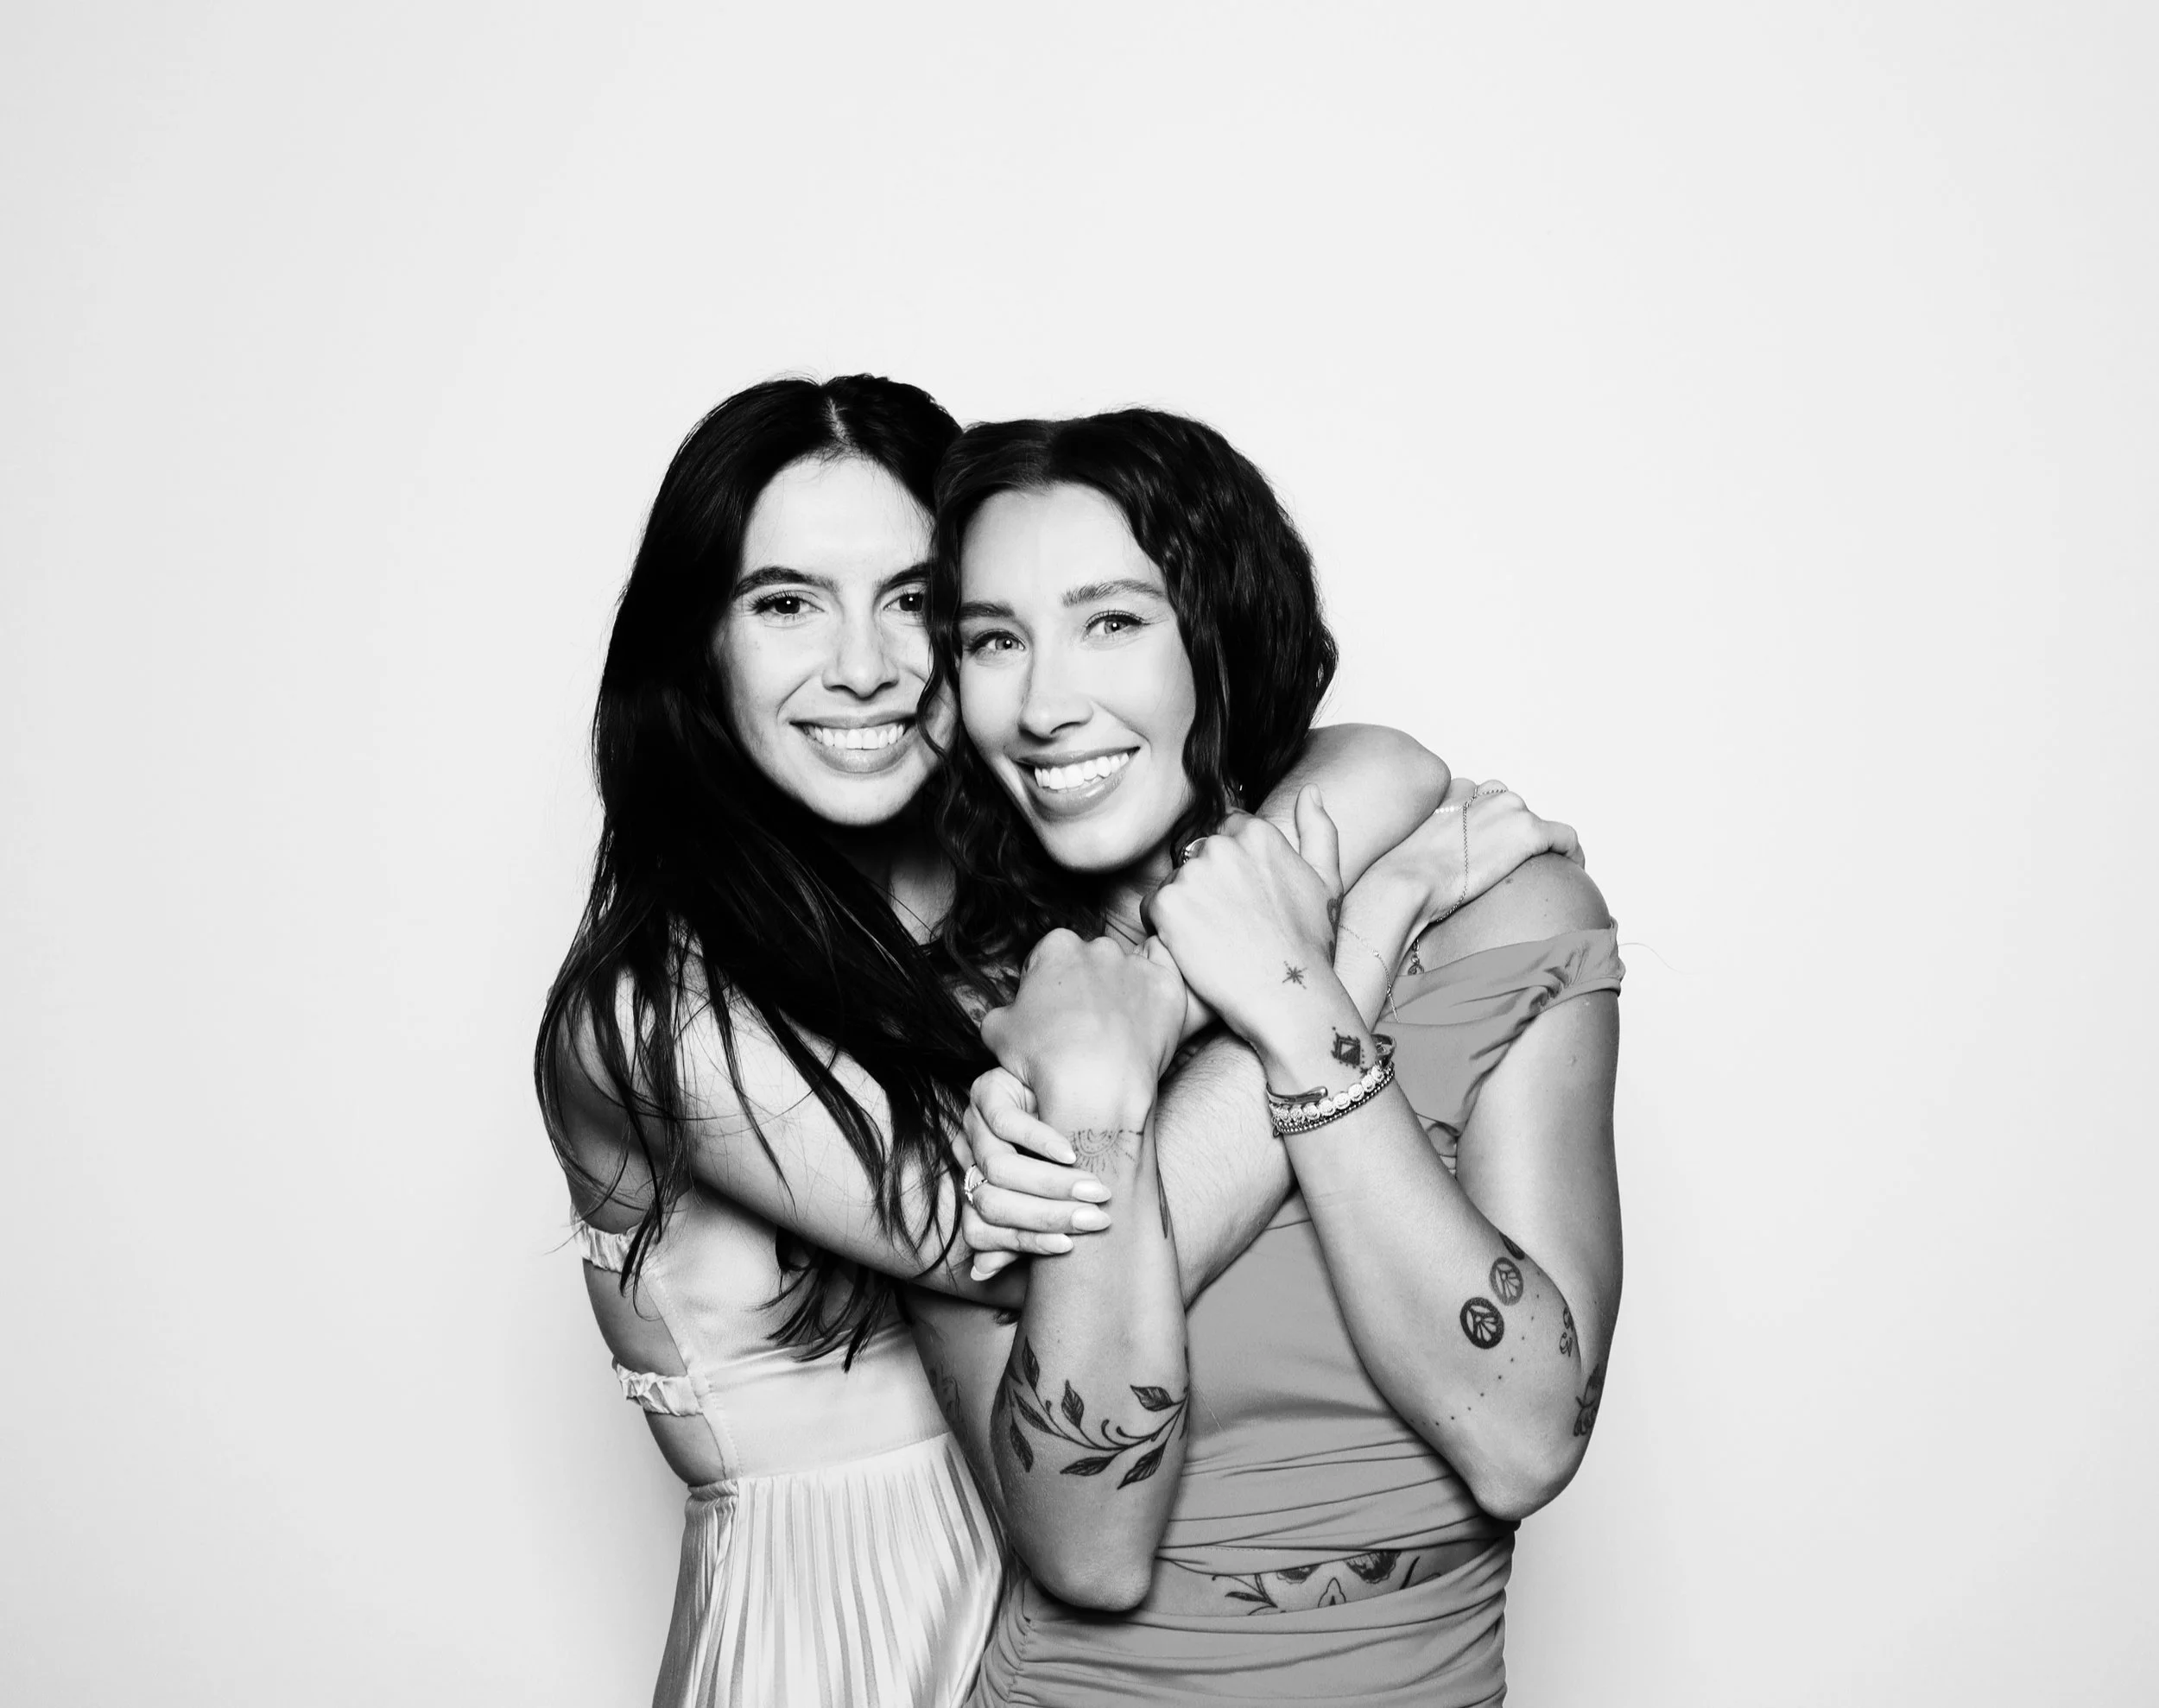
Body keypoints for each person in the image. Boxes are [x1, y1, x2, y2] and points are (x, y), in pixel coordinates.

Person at [535, 376, 1570, 1706]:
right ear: (699, 647)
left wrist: (1322, 853)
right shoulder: (659, 1012)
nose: (863, 663)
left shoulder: (1001, 896)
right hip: (839, 1637)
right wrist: (1346, 938)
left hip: (1045, 1636)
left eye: (913, 602)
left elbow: (1367, 762)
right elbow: (1053, 1261)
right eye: (787, 601)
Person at [909, 409, 1622, 1705]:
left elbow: (1523, 1438)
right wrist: (1108, 1093)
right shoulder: (956, 1018)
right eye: (993, 640)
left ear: (1219, 631)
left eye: (1112, 620)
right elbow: (1085, 1547)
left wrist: (1297, 996)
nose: (1047, 702)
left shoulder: (1506, 917)